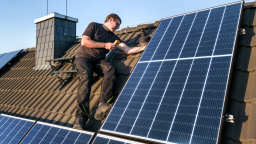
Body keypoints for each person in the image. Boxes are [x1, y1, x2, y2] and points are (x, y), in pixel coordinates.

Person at [73, 13, 147, 130]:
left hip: (98, 60)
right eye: (117, 24)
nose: (118, 27)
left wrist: (146, 47)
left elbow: (127, 49)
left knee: (111, 69)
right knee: (86, 78)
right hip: (83, 58)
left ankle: (103, 105)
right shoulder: (94, 26)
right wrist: (105, 45)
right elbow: (85, 42)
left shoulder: (114, 38)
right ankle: (81, 117)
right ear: (110, 19)